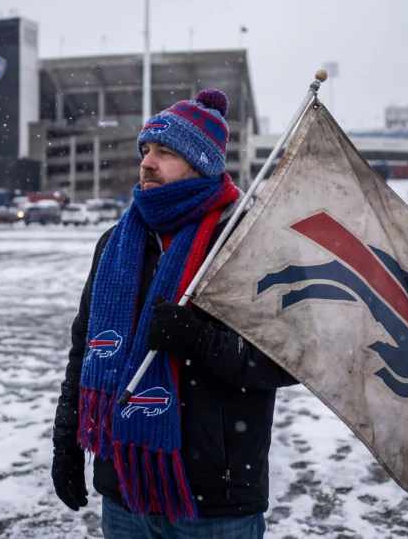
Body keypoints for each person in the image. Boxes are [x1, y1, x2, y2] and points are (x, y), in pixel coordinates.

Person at [52, 88, 298, 539]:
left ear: (201, 163)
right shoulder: (116, 244)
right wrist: (67, 439)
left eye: (165, 152)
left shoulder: (244, 244)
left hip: (215, 503)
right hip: (124, 489)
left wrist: (200, 343)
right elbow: (84, 347)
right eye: (146, 150)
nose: (147, 162)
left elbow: (291, 357)